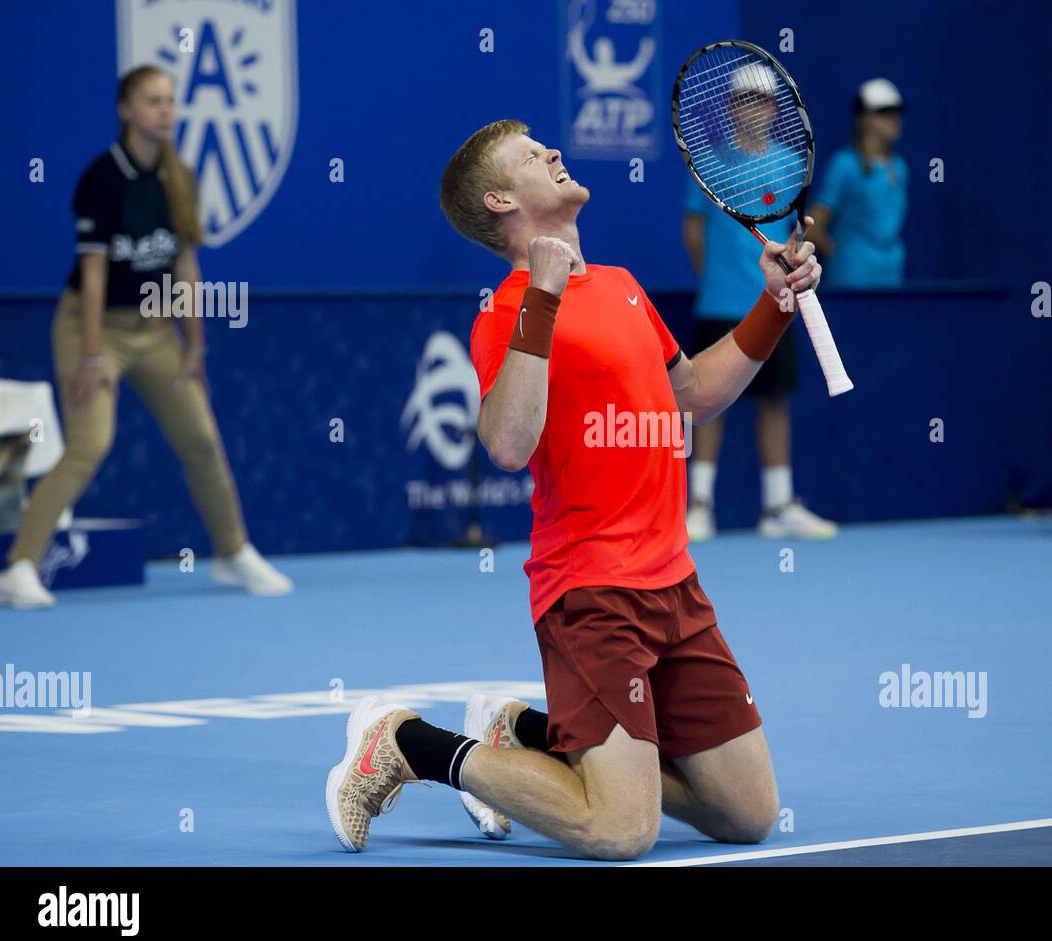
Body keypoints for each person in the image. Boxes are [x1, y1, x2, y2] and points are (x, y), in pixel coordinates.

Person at [325, 118, 824, 860]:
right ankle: (411, 744)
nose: (554, 153)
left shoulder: (623, 288)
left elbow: (690, 393)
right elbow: (506, 444)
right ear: (500, 200)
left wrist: (775, 305)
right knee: (623, 830)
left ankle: (526, 731)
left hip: (677, 589)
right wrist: (543, 300)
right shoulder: (505, 313)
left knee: (749, 813)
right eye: (531, 156)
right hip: (591, 596)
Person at [0, 65, 291, 610]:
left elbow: (185, 264)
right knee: (90, 444)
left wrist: (194, 344)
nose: (166, 111)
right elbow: (94, 273)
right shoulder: (100, 180)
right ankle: (18, 568)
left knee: (201, 437)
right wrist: (89, 356)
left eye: (172, 101)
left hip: (157, 331)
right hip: (93, 325)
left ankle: (232, 553)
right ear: (127, 110)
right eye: (153, 101)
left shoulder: (181, 177)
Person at [681, 67, 837, 542]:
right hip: (720, 303)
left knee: (774, 401)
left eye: (763, 101)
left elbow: (795, 233)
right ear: (731, 107)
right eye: (745, 100)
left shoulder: (792, 164)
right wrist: (720, 279)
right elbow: (693, 232)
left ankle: (776, 507)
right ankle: (700, 507)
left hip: (776, 301)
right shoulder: (706, 162)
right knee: (709, 401)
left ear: (774, 109)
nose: (755, 108)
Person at [808, 77, 908, 289]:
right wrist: (844, 255)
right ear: (863, 119)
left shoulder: (900, 167)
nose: (894, 119)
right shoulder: (844, 165)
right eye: (884, 112)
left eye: (896, 112)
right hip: (852, 281)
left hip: (891, 277)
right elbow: (813, 226)